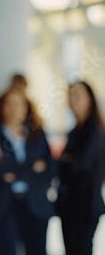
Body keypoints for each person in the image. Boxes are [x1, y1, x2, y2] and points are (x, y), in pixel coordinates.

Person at [0, 89, 55, 255]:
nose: (15, 108)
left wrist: (13, 171)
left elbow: (50, 169)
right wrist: (33, 167)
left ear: (26, 108)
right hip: (3, 205)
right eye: (10, 104)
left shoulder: (37, 134)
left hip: (35, 204)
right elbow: (0, 171)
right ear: (2, 108)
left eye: (19, 104)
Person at [55, 81, 105, 255]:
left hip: (86, 206)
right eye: (70, 95)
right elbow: (67, 165)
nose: (72, 99)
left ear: (90, 99)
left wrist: (66, 160)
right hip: (70, 205)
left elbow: (80, 163)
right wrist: (66, 160)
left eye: (77, 95)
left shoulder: (93, 130)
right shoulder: (74, 132)